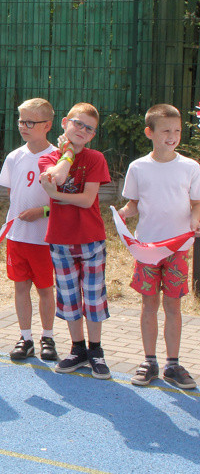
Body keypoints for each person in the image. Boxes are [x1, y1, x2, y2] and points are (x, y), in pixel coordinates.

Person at [117, 104, 200, 390]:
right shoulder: (138, 167)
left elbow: (196, 203)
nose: (173, 136)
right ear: (149, 132)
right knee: (149, 304)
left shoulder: (190, 167)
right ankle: (149, 361)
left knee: (173, 305)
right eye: (166, 130)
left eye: (177, 130)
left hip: (177, 248)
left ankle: (173, 364)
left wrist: (196, 219)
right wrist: (123, 214)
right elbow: (133, 204)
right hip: (147, 248)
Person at [39, 102, 111, 379]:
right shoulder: (48, 157)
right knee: (69, 299)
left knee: (93, 299)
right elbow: (57, 175)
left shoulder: (96, 159)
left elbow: (86, 199)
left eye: (88, 128)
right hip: (60, 240)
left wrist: (56, 196)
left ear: (93, 135)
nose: (82, 130)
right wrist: (67, 151)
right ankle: (78, 349)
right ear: (65, 122)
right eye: (77, 124)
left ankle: (96, 350)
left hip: (91, 240)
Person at [0, 98, 58, 361]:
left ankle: (48, 337)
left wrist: (41, 212)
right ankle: (26, 337)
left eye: (30, 122)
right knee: (20, 287)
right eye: (21, 120)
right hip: (17, 236)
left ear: (47, 125)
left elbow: (63, 203)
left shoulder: (57, 159)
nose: (24, 126)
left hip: (44, 239)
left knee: (45, 289)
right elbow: (14, 195)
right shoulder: (14, 157)